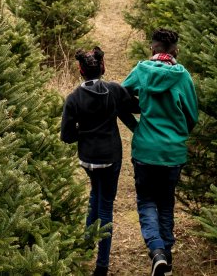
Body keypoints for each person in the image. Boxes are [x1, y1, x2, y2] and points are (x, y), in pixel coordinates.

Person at [122, 28, 198, 276]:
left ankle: (156, 252)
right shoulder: (182, 76)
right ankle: (167, 258)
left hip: (145, 150)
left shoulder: (141, 70)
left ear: (152, 48)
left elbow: (119, 99)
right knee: (165, 203)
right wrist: (178, 134)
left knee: (146, 201)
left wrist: (137, 127)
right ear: (175, 51)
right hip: (172, 153)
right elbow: (192, 115)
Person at [61, 47, 139, 276]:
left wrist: (82, 134)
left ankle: (86, 247)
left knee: (95, 194)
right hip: (110, 158)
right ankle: (101, 265)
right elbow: (136, 107)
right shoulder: (113, 90)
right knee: (105, 205)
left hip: (88, 159)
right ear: (103, 67)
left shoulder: (73, 98)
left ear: (80, 70)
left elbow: (66, 136)